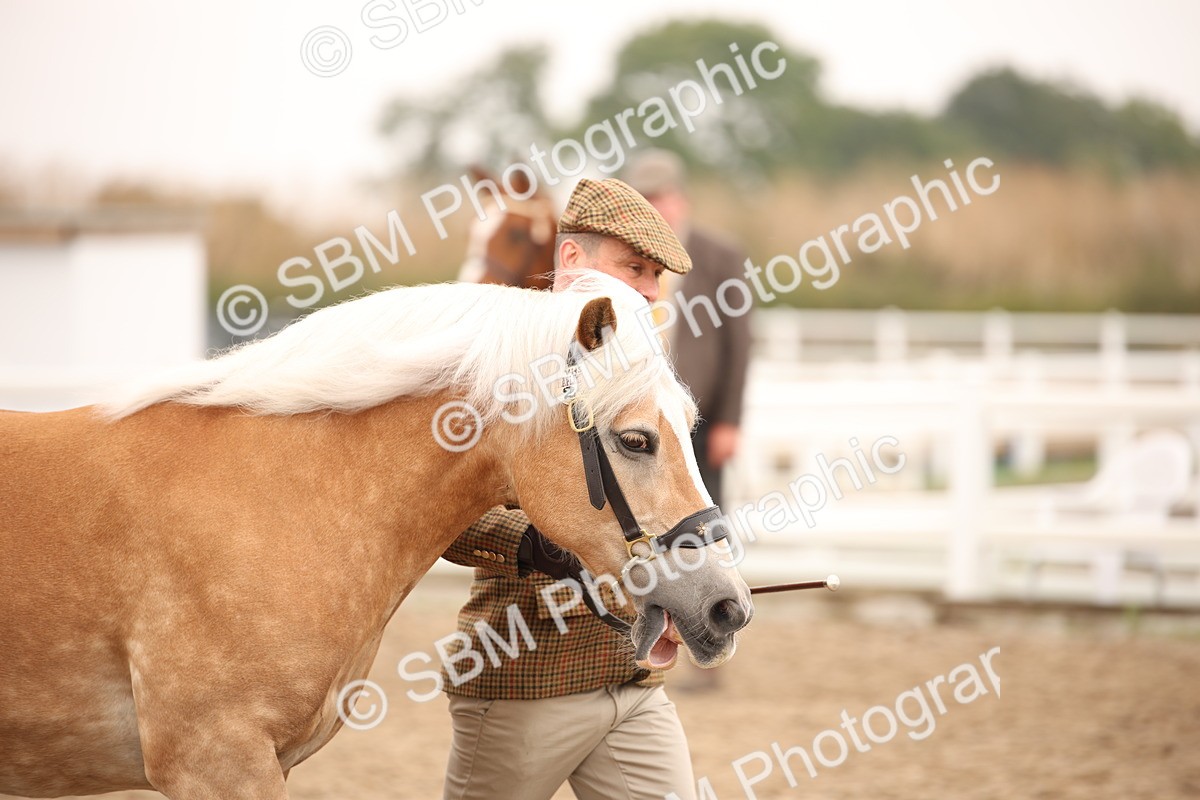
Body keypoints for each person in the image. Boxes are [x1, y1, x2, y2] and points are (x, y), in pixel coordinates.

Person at [440, 177, 700, 800]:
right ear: (573, 260)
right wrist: (536, 545)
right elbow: (442, 516)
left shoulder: (640, 371)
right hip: (524, 685)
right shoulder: (493, 365)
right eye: (634, 267)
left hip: (630, 682)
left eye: (656, 275)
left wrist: (685, 584)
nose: (648, 290)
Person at [622, 149, 752, 514]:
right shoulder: (620, 256)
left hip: (701, 418)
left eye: (661, 197)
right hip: (636, 416)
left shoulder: (719, 256)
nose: (654, 208)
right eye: (644, 199)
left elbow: (738, 344)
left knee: (704, 520)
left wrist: (729, 421)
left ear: (682, 200)